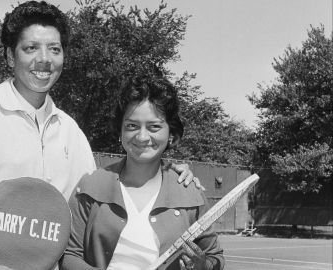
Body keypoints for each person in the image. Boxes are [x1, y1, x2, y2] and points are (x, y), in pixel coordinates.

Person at [0, 2, 199, 270]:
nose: (44, 60)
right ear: (11, 56)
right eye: (30, 48)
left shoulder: (70, 131)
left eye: (54, 49)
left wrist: (166, 175)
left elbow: (95, 203)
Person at [60, 74, 224, 270]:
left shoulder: (189, 192)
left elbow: (215, 259)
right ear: (120, 131)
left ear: (170, 133)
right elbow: (69, 255)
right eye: (132, 126)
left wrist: (202, 265)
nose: (142, 136)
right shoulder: (90, 186)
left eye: (154, 126)